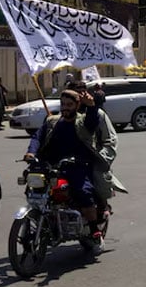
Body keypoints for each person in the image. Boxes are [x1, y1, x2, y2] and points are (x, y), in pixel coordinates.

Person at [24, 89, 123, 254]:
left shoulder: (82, 121)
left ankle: (94, 231)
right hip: (53, 166)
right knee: (34, 186)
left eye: (69, 105)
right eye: (63, 104)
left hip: (78, 165)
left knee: (83, 191)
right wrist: (31, 152)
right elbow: (37, 136)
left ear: (77, 105)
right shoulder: (52, 121)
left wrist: (91, 107)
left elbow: (92, 122)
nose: (65, 108)